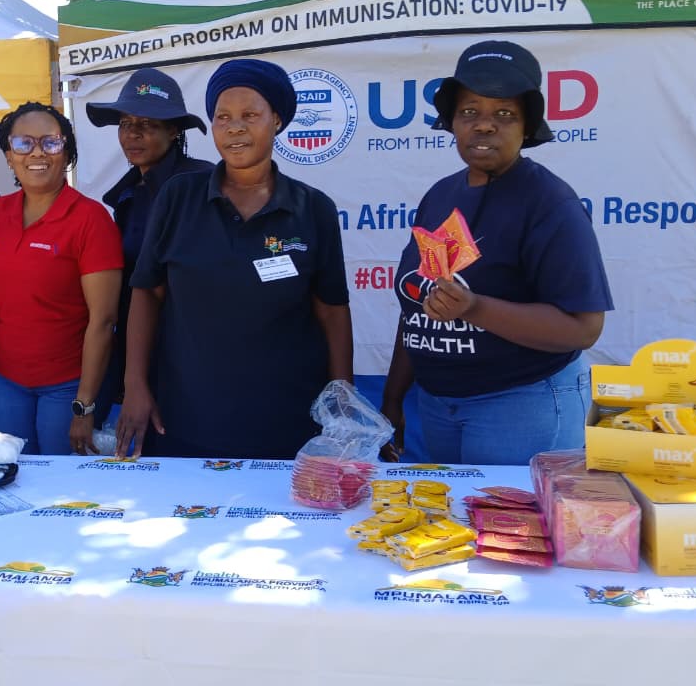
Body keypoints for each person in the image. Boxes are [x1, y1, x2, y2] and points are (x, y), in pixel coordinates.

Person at [380, 40, 613, 466]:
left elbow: (584, 328)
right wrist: (393, 399)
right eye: (469, 111)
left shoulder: (548, 202)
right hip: (438, 406)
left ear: (527, 126)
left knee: (511, 514)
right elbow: (416, 308)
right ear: (452, 121)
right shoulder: (440, 196)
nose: (484, 125)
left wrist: (474, 307)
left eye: (504, 114)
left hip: (521, 403)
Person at [117, 59, 354, 460]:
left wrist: (343, 402)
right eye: (223, 117)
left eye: (250, 115)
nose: (235, 128)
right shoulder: (179, 197)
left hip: (286, 424)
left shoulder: (313, 209)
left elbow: (332, 311)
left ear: (276, 120)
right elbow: (147, 293)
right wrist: (135, 385)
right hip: (184, 421)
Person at [0, 102, 123, 455]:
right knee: (7, 475)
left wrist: (84, 405)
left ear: (67, 152)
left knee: (61, 483)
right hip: (3, 381)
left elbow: (103, 320)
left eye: (50, 142)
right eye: (23, 143)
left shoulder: (91, 219)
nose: (37, 152)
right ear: (9, 155)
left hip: (66, 387)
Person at [86, 68, 213, 428]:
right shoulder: (128, 195)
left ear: (174, 131)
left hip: (194, 361)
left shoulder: (203, 183)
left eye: (147, 124)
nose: (133, 134)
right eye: (126, 123)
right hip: (139, 358)